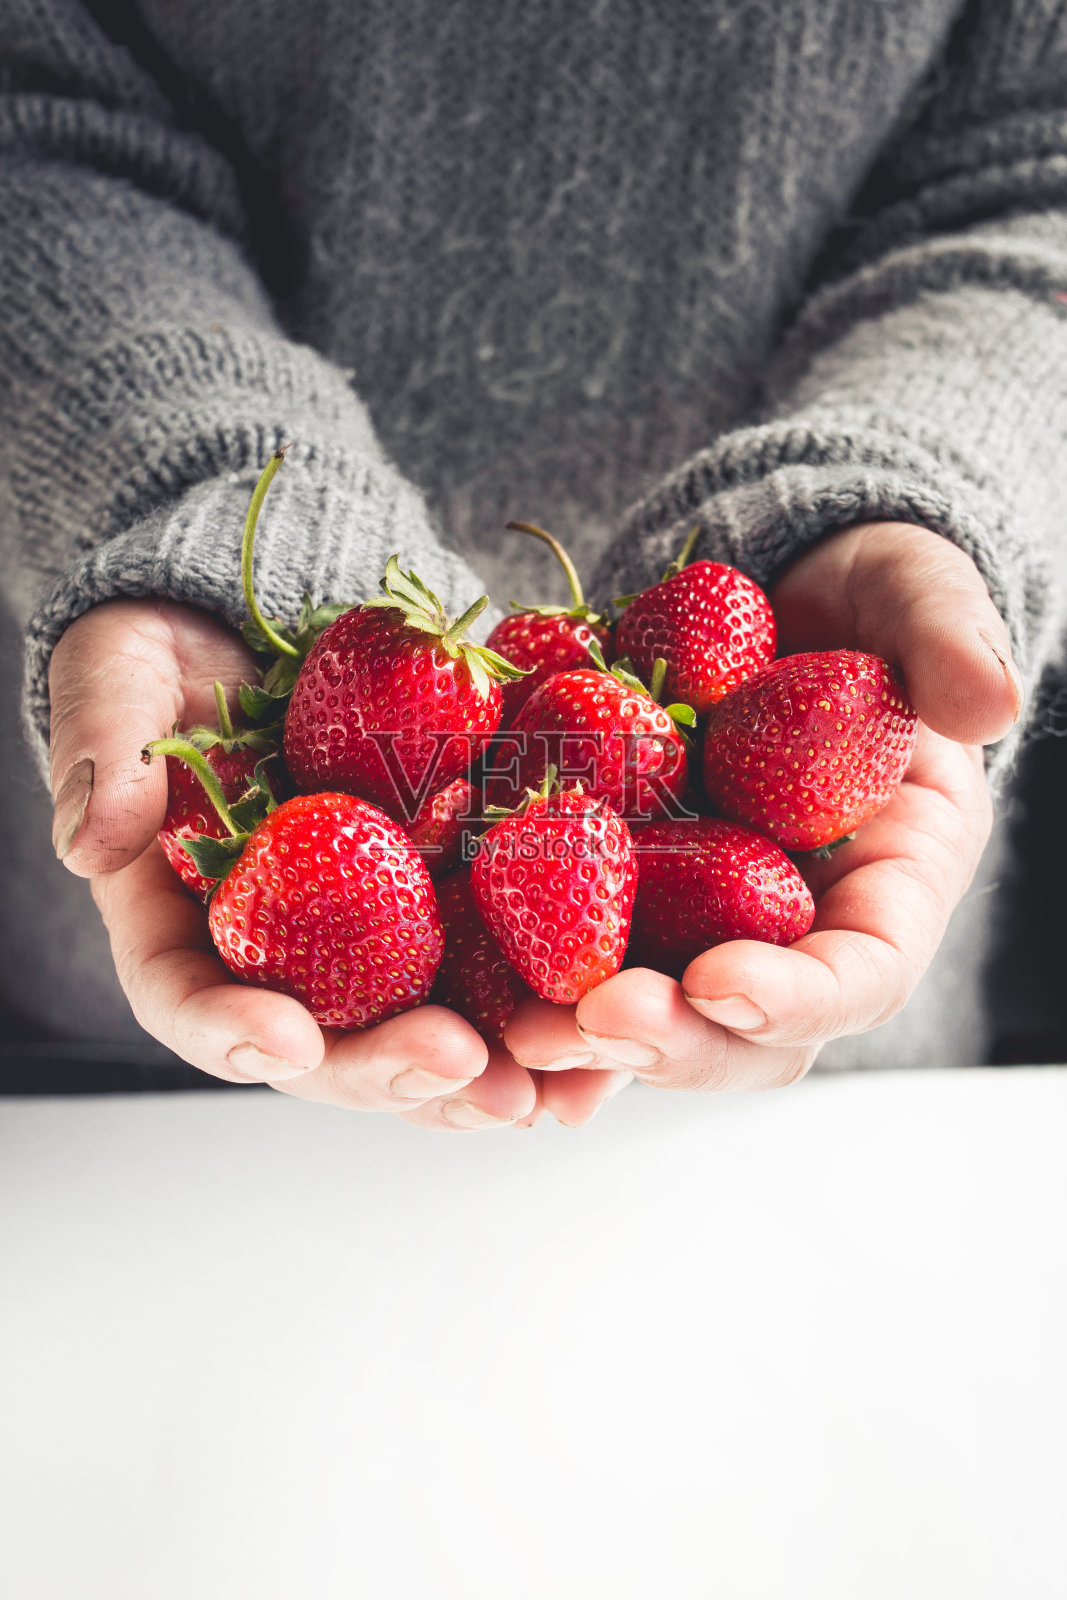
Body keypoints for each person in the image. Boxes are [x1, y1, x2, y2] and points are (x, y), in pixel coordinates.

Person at [1, 0, 1063, 1127]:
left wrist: (905, 478)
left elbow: (1037, 169)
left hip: (825, 1065)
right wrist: (201, 502)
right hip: (121, 1067)